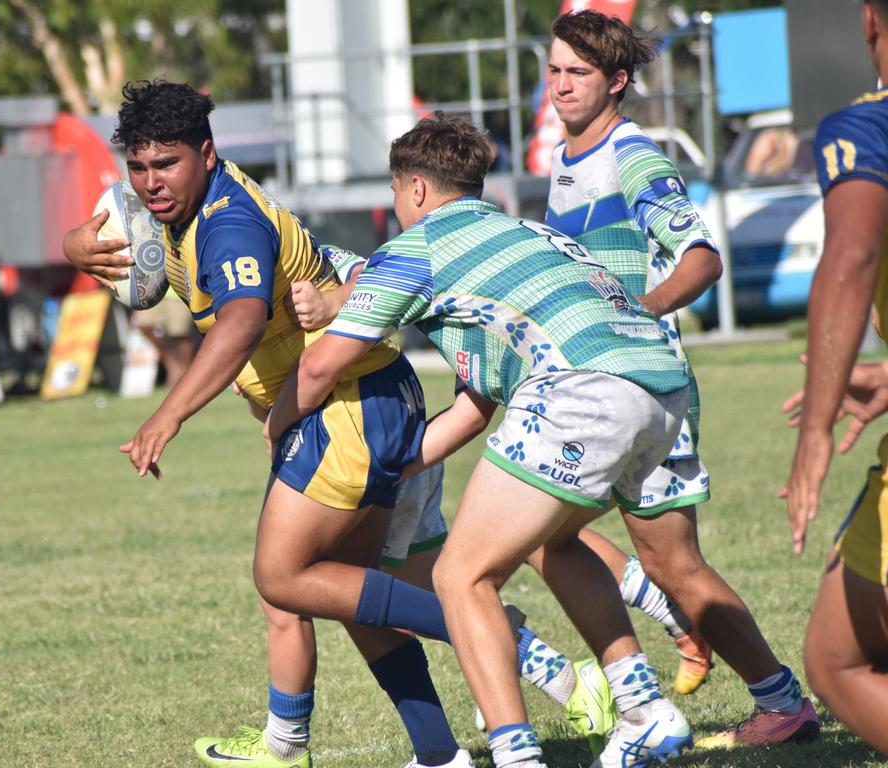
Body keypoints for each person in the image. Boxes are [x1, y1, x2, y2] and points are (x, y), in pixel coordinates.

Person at [62, 80, 601, 768]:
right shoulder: (174, 201)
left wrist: (168, 414)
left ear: (205, 154)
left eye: (165, 165)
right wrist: (80, 245)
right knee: (351, 589)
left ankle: (530, 655)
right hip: (363, 393)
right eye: (137, 169)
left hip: (338, 402)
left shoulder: (229, 223)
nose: (150, 184)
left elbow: (241, 322)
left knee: (282, 577)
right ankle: (438, 754)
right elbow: (106, 231)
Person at [266, 112, 696, 768]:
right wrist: (401, 467)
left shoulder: (418, 248)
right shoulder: (520, 232)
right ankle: (644, 709)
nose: (395, 207)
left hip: (581, 390)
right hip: (662, 387)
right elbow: (473, 408)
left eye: (392, 194)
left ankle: (515, 754)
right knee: (557, 543)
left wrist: (277, 428)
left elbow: (323, 364)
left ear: (413, 189)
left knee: (460, 576)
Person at [538, 9, 818, 749]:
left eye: (578, 74)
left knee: (647, 558)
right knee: (566, 541)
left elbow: (700, 257)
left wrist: (640, 308)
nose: (561, 85)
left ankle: (755, 697)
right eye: (554, 70)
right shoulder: (567, 158)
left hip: (644, 385)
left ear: (617, 82)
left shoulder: (634, 158)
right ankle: (682, 675)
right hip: (597, 383)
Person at [781, 0, 888, 754]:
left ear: (869, 24)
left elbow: (851, 258)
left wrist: (815, 428)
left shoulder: (866, 128)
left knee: (837, 659)